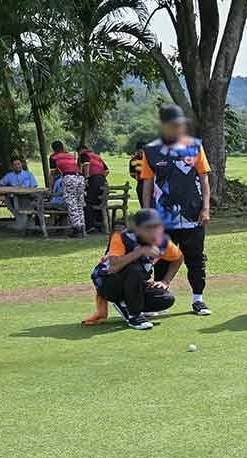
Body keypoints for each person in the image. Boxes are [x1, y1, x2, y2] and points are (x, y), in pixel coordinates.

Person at [139, 104, 212, 316]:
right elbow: (148, 184)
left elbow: (204, 180)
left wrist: (206, 208)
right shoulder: (151, 150)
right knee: (161, 257)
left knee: (195, 258)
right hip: (163, 217)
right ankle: (159, 300)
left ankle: (198, 299)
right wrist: (147, 213)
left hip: (193, 214)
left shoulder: (195, 146)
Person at [90, 208, 182, 330]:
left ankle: (126, 304)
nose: (153, 231)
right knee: (135, 269)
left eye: (156, 226)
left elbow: (178, 258)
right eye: (148, 227)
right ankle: (134, 316)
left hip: (134, 284)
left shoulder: (161, 241)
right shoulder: (120, 237)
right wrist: (141, 251)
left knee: (166, 299)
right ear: (137, 228)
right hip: (108, 284)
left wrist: (165, 281)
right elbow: (114, 266)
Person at [49, 141, 86, 237]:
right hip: (80, 177)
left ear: (53, 149)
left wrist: (50, 188)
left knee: (71, 202)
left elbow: (52, 174)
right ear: (62, 147)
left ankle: (77, 229)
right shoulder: (70, 156)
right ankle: (82, 227)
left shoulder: (53, 157)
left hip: (69, 178)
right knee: (79, 203)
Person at [78, 145, 109, 233]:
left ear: (80, 151)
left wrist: (87, 178)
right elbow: (107, 171)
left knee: (87, 202)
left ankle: (90, 226)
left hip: (93, 180)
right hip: (102, 180)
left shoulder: (84, 155)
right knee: (99, 201)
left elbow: (87, 165)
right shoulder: (97, 156)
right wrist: (100, 177)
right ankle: (100, 224)